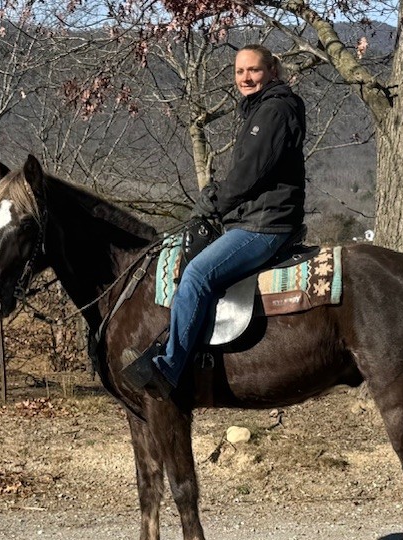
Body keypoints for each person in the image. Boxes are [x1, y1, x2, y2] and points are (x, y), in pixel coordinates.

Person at [126, 44, 307, 400]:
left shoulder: (273, 110)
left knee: (196, 274)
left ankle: (170, 368)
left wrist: (217, 203)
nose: (245, 78)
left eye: (253, 70)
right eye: (239, 72)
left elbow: (250, 172)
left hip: (265, 223)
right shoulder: (263, 108)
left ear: (272, 71)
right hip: (256, 217)